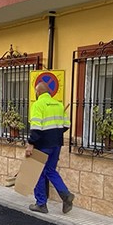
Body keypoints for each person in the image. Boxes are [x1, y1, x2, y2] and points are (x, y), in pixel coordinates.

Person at [25, 81, 75, 214]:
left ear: (38, 92)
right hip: (56, 144)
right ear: (48, 92)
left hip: (42, 145)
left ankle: (41, 204)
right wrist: (54, 134)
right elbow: (66, 125)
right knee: (50, 170)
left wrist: (31, 143)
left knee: (38, 173)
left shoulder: (38, 105)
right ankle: (66, 195)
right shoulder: (58, 105)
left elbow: (36, 127)